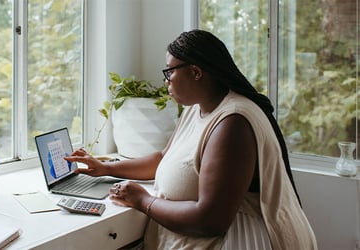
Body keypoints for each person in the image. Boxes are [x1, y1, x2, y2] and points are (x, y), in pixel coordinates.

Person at [65, 29, 317, 249]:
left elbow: (210, 220)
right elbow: (163, 158)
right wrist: (106, 167)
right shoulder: (196, 108)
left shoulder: (233, 122)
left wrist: (143, 200)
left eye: (169, 72)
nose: (166, 82)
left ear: (196, 72)